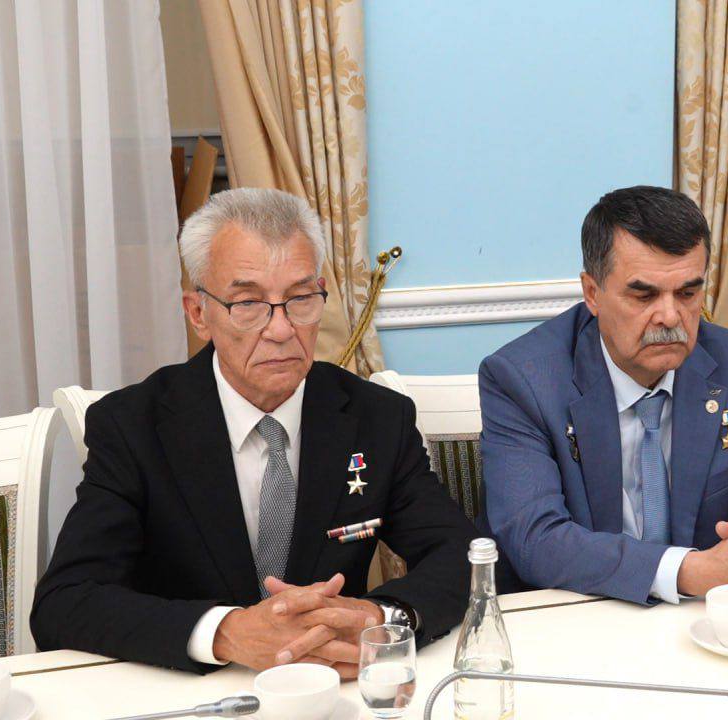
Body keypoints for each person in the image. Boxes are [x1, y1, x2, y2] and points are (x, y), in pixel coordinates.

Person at [32, 188, 477, 675]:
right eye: (248, 303)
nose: (281, 330)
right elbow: (64, 602)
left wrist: (377, 617)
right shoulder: (133, 426)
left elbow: (463, 555)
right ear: (198, 313)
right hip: (193, 692)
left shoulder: (377, 418)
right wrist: (226, 632)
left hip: (332, 684)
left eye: (300, 299)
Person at [479, 185, 728, 606]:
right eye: (644, 295)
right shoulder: (523, 380)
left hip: (699, 621)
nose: (671, 316)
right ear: (593, 293)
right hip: (571, 613)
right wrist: (690, 571)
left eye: (687, 293)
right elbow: (536, 538)